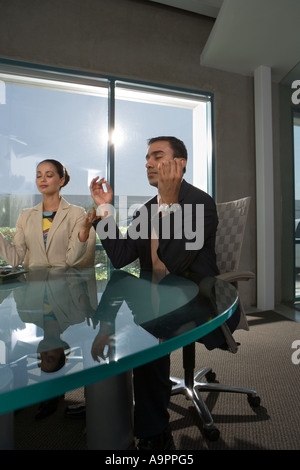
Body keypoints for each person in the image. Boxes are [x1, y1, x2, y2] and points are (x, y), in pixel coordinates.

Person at [89, 136, 240, 450]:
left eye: (157, 155)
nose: (147, 163)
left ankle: (153, 433)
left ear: (179, 163)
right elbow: (119, 257)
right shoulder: (145, 210)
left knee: (144, 333)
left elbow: (174, 262)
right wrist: (104, 209)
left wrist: (170, 202)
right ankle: (109, 406)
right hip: (153, 296)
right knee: (118, 296)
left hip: (196, 297)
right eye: (146, 158)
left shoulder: (200, 203)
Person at [0, 159, 96, 268]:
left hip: (64, 283)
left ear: (61, 181)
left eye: (49, 175)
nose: (42, 180)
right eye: (38, 176)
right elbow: (15, 259)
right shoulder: (25, 215)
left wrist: (84, 232)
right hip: (33, 283)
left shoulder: (76, 213)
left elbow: (72, 261)